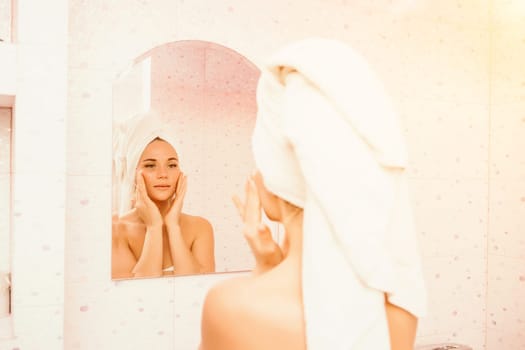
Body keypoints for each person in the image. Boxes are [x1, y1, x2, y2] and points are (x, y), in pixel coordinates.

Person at [199, 38, 427, 350]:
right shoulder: (398, 307)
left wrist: (263, 273)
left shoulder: (229, 307)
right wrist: (269, 266)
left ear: (279, 180)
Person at [112, 113, 215, 279]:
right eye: (151, 165)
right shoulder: (116, 229)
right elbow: (139, 296)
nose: (163, 174)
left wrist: (173, 225)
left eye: (172, 165)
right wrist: (154, 227)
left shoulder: (200, 228)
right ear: (133, 172)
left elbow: (196, 289)